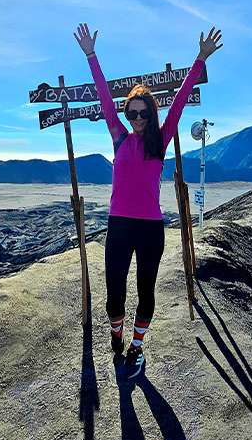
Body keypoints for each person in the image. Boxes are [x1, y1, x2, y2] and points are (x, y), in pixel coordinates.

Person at [74, 22, 223, 378]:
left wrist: (200, 59)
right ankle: (117, 333)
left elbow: (180, 102)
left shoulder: (161, 139)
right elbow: (104, 100)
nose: (137, 119)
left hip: (150, 229)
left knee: (145, 291)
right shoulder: (119, 137)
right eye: (132, 113)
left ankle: (137, 347)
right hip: (119, 226)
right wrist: (91, 55)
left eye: (143, 113)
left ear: (151, 114)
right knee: (114, 294)